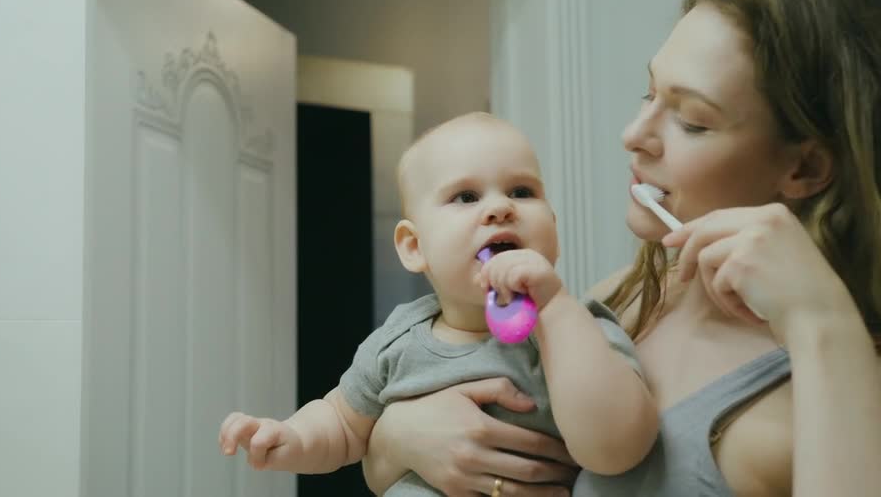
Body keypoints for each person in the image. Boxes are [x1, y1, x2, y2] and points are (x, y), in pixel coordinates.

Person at [361, 0, 881, 496]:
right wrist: (400, 440)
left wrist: (822, 323)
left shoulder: (827, 385)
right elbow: (387, 466)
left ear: (805, 166)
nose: (633, 134)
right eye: (650, 93)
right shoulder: (626, 297)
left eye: (692, 121)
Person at [218, 112, 659, 495]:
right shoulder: (397, 342)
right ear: (414, 247)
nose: (500, 208)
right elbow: (341, 424)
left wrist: (556, 309)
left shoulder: (580, 330)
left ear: (554, 230)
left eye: (522, 192)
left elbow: (618, 447)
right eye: (466, 197)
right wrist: (287, 438)